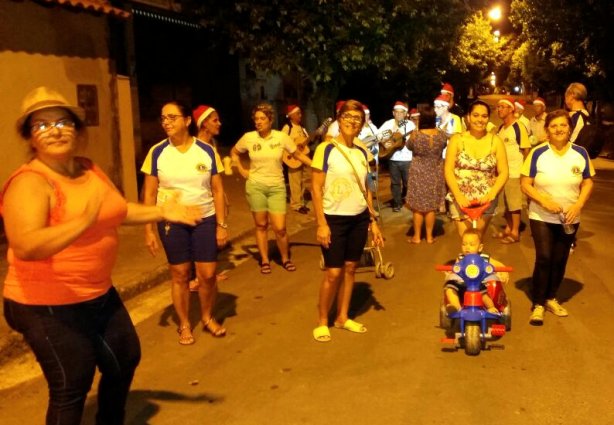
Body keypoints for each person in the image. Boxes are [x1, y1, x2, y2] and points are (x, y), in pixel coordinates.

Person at [1, 87, 201, 424]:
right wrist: (83, 220)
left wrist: (163, 211)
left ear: (78, 131)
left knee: (124, 356)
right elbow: (27, 245)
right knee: (72, 381)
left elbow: (118, 211)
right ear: (30, 138)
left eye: (63, 121)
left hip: (96, 292)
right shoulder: (30, 182)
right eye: (42, 125)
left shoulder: (88, 169)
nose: (55, 130)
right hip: (44, 302)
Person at [142, 100, 228, 345]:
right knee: (179, 274)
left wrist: (221, 225)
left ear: (187, 120)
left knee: (208, 274)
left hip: (204, 218)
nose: (166, 122)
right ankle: (184, 323)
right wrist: (148, 229)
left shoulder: (206, 150)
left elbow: (218, 190)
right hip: (172, 220)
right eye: (163, 118)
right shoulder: (157, 152)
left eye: (172, 117)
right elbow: (149, 193)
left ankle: (207, 316)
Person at [311, 99, 384, 342]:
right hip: (334, 218)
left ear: (362, 124)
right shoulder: (326, 149)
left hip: (359, 217)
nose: (352, 122)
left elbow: (367, 187)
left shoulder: (363, 150)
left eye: (357, 119)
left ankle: (342, 317)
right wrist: (321, 223)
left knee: (352, 268)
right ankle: (323, 320)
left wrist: (372, 221)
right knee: (333, 272)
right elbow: (315, 187)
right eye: (348, 117)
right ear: (338, 120)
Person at [521, 109, 595, 325]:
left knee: (560, 259)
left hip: (570, 217)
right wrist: (544, 201)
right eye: (554, 126)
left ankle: (551, 297)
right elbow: (525, 183)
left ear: (569, 128)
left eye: (563, 125)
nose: (559, 129)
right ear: (547, 130)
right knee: (544, 257)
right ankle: (537, 304)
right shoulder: (538, 153)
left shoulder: (580, 153)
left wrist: (578, 204)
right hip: (541, 215)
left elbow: (588, 182)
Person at [230, 103, 311, 274]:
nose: (258, 122)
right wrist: (242, 170)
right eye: (256, 119)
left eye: (262, 119)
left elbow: (297, 154)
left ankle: (285, 258)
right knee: (261, 225)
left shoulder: (281, 137)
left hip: (277, 187)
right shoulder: (249, 137)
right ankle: (265, 260)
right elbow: (234, 152)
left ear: (270, 120)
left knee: (280, 228)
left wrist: (317, 166)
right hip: (256, 186)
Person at [445, 100, 508, 239]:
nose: (480, 119)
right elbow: (448, 170)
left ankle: (477, 261)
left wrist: (492, 193)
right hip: (460, 200)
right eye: (476, 115)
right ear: (468, 117)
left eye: (484, 116)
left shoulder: (496, 141)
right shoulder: (457, 139)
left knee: (477, 240)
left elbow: (504, 172)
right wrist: (458, 195)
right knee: (466, 242)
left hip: (486, 200)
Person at [191, 104, 230, 286]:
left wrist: (223, 197)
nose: (219, 123)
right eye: (215, 120)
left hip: (212, 199)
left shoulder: (211, 145)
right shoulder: (195, 147)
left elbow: (215, 182)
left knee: (209, 237)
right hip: (198, 204)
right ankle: (195, 277)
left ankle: (208, 274)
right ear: (203, 124)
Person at [405, 105, 447, 244]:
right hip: (435, 172)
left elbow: (409, 146)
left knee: (417, 208)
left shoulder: (415, 135)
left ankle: (417, 237)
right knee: (430, 208)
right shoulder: (440, 135)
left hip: (418, 173)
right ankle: (429, 237)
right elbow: (443, 146)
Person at [444, 228, 509, 314]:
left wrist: (504, 272)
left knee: (483, 294)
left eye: (471, 244)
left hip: (479, 283)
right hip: (463, 284)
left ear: (480, 247)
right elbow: (455, 270)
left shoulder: (484, 257)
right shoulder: (460, 258)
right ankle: (456, 307)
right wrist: (450, 273)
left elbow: (498, 265)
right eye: (464, 244)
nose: (467, 247)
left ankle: (491, 308)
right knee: (450, 288)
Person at [495, 97, 531, 243]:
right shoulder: (501, 128)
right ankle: (508, 228)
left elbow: (526, 150)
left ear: (511, 109)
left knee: (514, 203)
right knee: (506, 203)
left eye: (503, 106)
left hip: (515, 172)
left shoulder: (518, 126)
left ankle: (515, 232)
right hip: (503, 173)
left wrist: (525, 173)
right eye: (498, 107)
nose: (499, 109)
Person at [378, 101, 415, 212]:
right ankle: (397, 203)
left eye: (401, 112)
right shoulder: (388, 124)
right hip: (392, 158)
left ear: (405, 114)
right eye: (397, 112)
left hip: (407, 158)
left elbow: (413, 139)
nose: (399, 114)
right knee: (395, 182)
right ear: (393, 113)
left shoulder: (409, 125)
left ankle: (410, 201)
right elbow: (379, 135)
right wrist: (385, 142)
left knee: (407, 182)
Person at [281, 105, 310, 214]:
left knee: (302, 181)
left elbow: (306, 141)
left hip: (301, 158)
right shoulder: (287, 128)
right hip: (292, 159)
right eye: (298, 113)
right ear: (291, 115)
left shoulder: (302, 128)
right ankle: (296, 205)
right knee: (295, 182)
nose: (300, 115)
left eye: (300, 113)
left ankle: (301, 203)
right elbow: (282, 142)